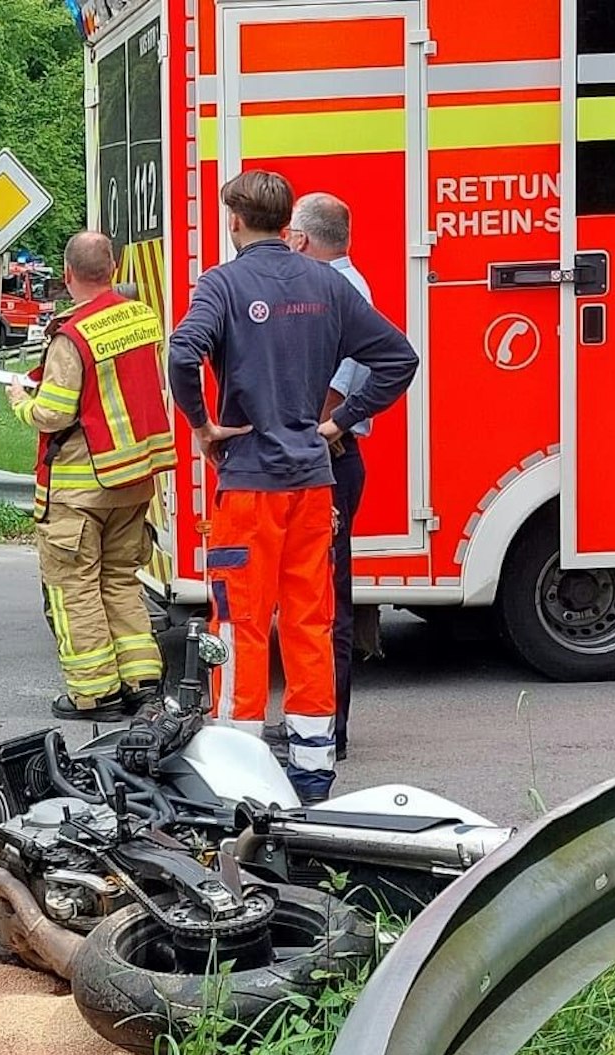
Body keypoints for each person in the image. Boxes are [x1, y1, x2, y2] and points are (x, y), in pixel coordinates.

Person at [165, 171, 417, 801]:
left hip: (249, 483)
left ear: (234, 221)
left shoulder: (222, 284)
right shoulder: (328, 284)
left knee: (240, 624)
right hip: (313, 482)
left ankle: (239, 774)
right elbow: (399, 359)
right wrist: (337, 421)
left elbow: (182, 352)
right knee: (310, 620)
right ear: (286, 224)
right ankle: (311, 772)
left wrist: (204, 426)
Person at [7, 230, 175, 721]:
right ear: (115, 270)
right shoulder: (142, 319)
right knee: (121, 580)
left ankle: (96, 694)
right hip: (134, 477)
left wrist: (22, 403)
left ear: (67, 275)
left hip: (80, 488)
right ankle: (142, 683)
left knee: (73, 587)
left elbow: (55, 413)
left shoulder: (71, 334)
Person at [288, 191, 372, 763]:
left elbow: (337, 391)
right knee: (316, 593)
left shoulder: (341, 292)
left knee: (326, 597)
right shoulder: (340, 286)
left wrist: (313, 433)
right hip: (333, 458)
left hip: (332, 460)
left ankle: (329, 730)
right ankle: (315, 721)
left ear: (303, 240)